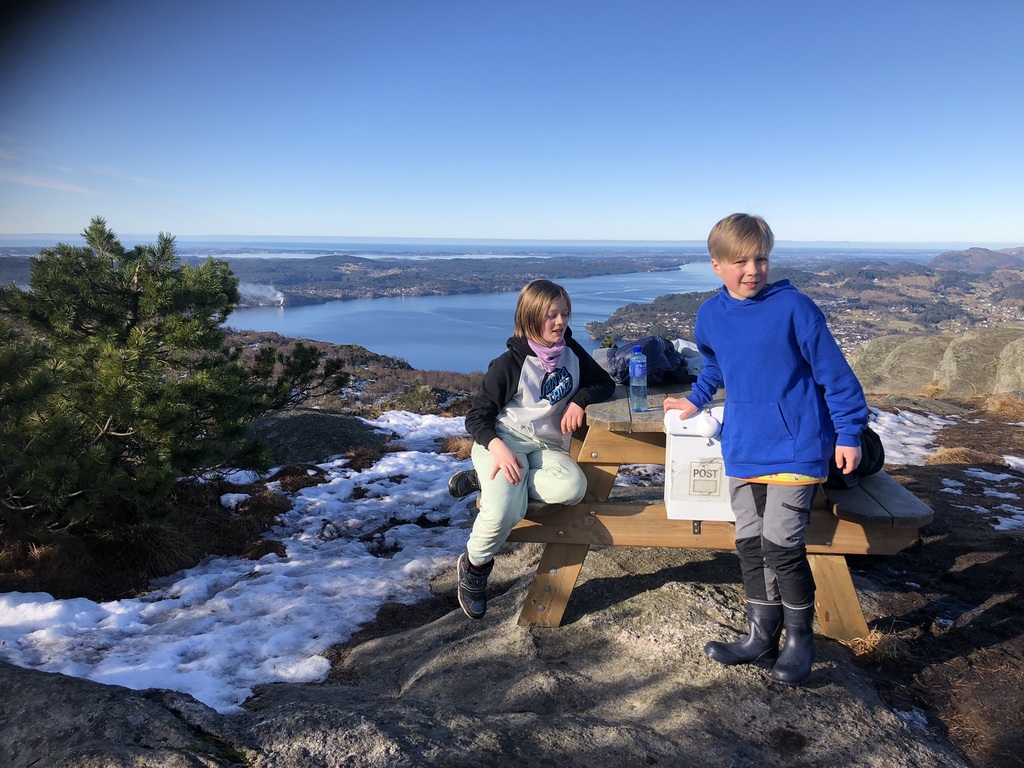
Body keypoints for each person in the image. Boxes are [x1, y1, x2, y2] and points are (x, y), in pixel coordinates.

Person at [663, 213, 869, 686]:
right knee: (750, 542)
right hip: (744, 444)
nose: (752, 269)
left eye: (761, 259)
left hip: (796, 445)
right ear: (716, 265)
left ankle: (800, 640)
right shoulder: (710, 315)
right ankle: (761, 634)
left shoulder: (796, 308)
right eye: (740, 261)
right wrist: (695, 399)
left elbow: (835, 376)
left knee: (782, 543)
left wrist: (849, 433)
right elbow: (717, 365)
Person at [448, 279, 615, 620]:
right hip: (503, 441)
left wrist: (579, 401)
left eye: (564, 314)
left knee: (573, 487)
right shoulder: (509, 364)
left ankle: (487, 481)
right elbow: (477, 417)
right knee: (503, 512)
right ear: (529, 318)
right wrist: (497, 449)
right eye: (550, 315)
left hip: (544, 446)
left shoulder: (571, 351)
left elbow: (605, 383)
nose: (560, 322)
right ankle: (475, 565)